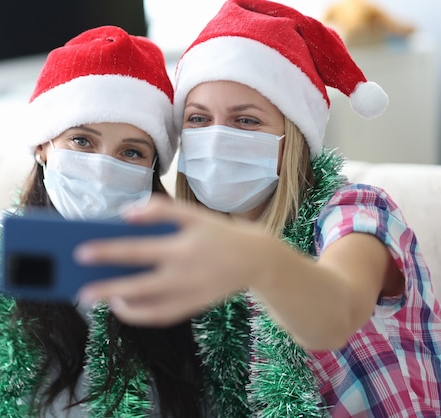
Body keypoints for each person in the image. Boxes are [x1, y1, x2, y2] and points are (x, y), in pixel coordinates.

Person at [75, 1, 441, 416]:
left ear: (293, 137)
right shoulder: (190, 258)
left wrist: (259, 259)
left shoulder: (355, 209)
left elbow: (336, 313)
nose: (216, 138)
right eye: (197, 119)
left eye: (246, 121)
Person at [0, 25, 206, 418]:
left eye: (131, 152)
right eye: (82, 141)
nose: (103, 167)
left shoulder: (186, 255)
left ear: (152, 169)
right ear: (43, 148)